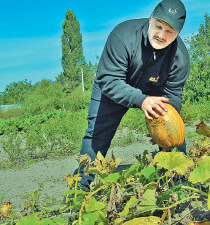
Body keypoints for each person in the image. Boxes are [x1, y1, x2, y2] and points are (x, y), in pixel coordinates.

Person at [76, 0, 190, 190]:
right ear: (150, 19)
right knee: (96, 136)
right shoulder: (123, 35)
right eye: (158, 26)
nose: (161, 35)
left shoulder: (180, 58)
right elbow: (109, 79)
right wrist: (141, 100)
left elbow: (174, 96)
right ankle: (81, 188)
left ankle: (177, 185)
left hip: (155, 89)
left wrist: (162, 126)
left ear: (178, 33)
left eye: (170, 31)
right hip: (114, 84)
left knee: (175, 136)